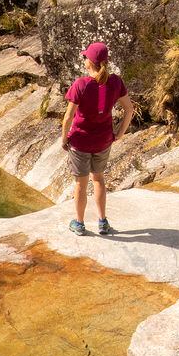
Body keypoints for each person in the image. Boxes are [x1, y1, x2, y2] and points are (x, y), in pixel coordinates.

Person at [58, 40, 133, 236]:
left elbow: (68, 117)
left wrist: (64, 138)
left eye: (85, 57)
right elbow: (129, 109)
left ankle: (80, 224)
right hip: (103, 140)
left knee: (80, 184)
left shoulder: (81, 84)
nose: (84, 59)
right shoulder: (115, 82)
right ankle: (102, 222)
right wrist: (120, 132)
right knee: (98, 179)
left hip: (81, 141)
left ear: (89, 62)